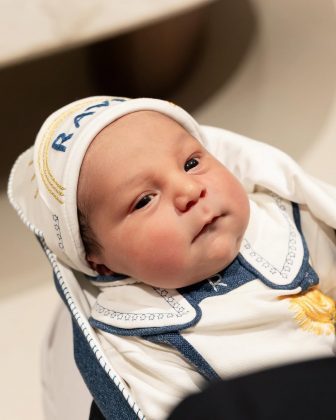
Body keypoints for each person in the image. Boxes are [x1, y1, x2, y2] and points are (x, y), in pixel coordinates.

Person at [9, 96, 336, 419]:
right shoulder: (139, 340)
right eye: (144, 200)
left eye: (192, 163)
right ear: (100, 262)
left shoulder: (284, 225)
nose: (189, 191)